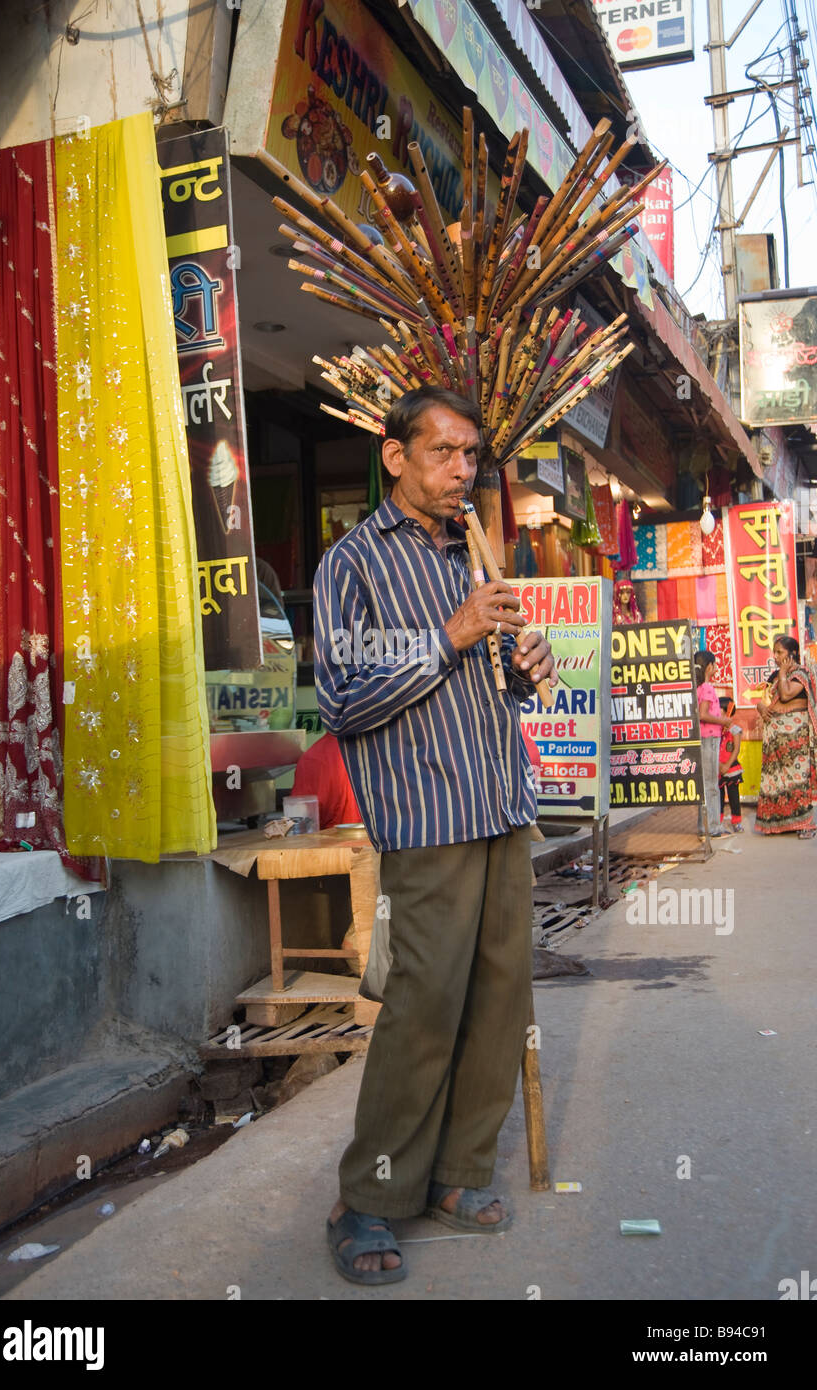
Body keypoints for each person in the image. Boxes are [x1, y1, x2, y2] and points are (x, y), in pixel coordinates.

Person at [313, 386, 557, 1285]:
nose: (462, 472)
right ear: (396, 457)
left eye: (470, 458)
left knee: (501, 998)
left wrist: (526, 669)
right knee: (423, 1006)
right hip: (426, 818)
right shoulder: (353, 566)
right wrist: (452, 634)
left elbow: (500, 686)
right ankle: (369, 1198)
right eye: (444, 453)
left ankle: (455, 1175)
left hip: (501, 802)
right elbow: (343, 699)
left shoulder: (473, 554)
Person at [755, 635, 817, 838]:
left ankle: (805, 823)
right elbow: (763, 700)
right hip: (775, 740)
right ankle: (778, 823)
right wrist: (761, 708)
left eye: (780, 652)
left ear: (793, 654)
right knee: (776, 781)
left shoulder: (802, 674)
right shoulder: (774, 676)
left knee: (798, 781)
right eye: (775, 652)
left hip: (795, 740)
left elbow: (788, 693)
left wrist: (782, 673)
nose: (775, 656)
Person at [695, 649, 739, 838]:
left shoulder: (696, 687)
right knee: (711, 785)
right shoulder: (707, 688)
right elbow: (703, 714)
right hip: (709, 739)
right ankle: (713, 827)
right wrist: (724, 721)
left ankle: (704, 826)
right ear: (710, 666)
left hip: (703, 738)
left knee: (705, 785)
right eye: (714, 665)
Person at [290, 730, 362, 828]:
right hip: (376, 839)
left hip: (330, 839)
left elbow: (300, 820)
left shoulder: (311, 757)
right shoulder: (378, 749)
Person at [717, 697, 744, 833]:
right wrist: (718, 765)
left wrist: (727, 765)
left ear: (727, 712)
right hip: (717, 767)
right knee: (718, 797)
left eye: (719, 710)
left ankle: (736, 822)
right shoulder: (715, 729)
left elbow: (736, 749)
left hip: (731, 767)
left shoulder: (735, 730)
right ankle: (718, 822)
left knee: (734, 797)